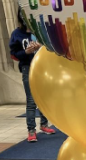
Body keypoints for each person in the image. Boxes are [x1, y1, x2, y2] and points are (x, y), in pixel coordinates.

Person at [9, 11, 55, 142]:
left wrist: (42, 46)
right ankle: (31, 130)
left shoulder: (40, 31)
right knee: (31, 100)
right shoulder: (17, 34)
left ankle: (44, 125)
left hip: (42, 68)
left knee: (44, 98)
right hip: (27, 67)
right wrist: (26, 52)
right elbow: (14, 54)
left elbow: (52, 48)